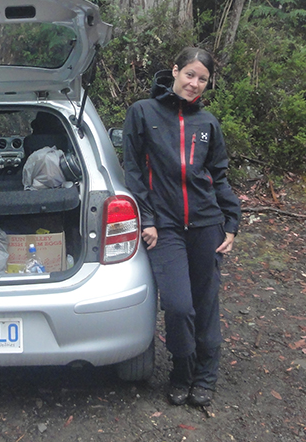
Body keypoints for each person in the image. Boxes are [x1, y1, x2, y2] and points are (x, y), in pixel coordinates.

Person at [122, 47, 241, 407]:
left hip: (207, 224)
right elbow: (134, 172)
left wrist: (231, 222)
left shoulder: (208, 123)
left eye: (202, 79)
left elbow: (218, 176)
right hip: (166, 227)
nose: (194, 83)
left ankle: (205, 377)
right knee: (177, 305)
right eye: (190, 74)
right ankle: (181, 370)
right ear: (174, 70)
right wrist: (148, 219)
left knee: (205, 304)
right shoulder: (143, 113)